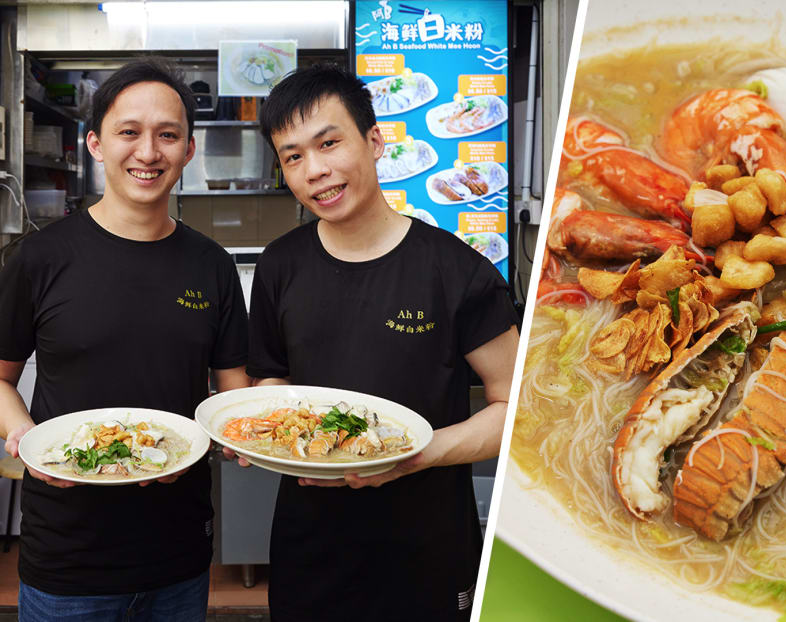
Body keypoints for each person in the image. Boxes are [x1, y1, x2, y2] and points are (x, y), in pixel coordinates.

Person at [240, 64, 519, 621]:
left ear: (373, 140)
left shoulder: (455, 269)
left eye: (329, 143)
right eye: (293, 156)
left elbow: (516, 404)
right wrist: (264, 429)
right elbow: (271, 380)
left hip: (425, 547)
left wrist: (417, 456)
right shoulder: (280, 265)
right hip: (309, 546)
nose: (315, 170)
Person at [0, 58, 249, 622]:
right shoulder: (40, 258)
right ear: (95, 143)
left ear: (188, 151)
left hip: (179, 554)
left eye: (168, 135)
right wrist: (25, 437)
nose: (148, 152)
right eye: (128, 132)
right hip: (68, 557)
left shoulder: (211, 266)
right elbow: (1, 380)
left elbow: (230, 397)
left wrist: (244, 435)